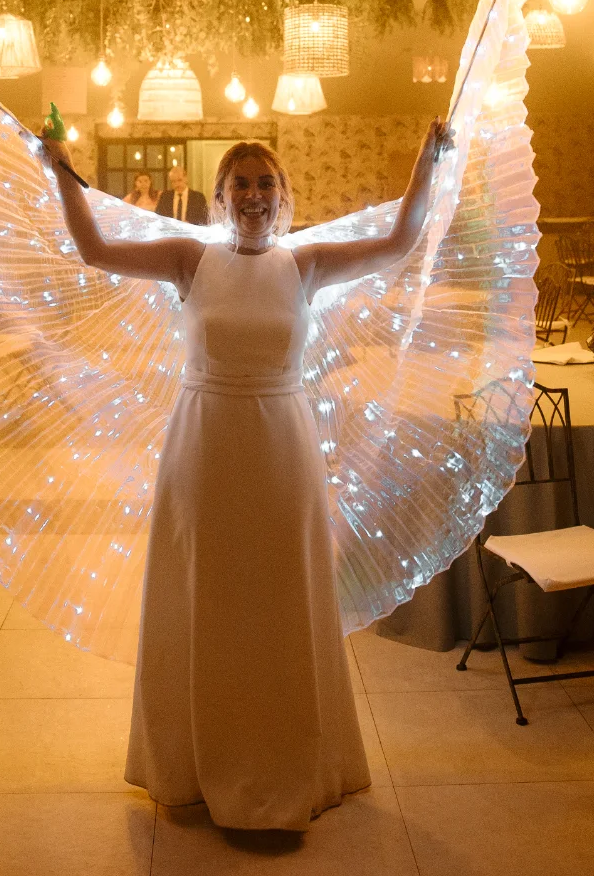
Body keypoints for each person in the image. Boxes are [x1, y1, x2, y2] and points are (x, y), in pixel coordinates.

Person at [36, 118, 450, 831]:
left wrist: (427, 158)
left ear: (281, 196)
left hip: (282, 445)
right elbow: (94, 248)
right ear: (219, 198)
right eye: (240, 186)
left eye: (265, 184)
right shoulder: (187, 260)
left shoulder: (305, 264)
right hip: (204, 441)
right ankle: (192, 767)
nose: (253, 196)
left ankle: (291, 763)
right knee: (207, 595)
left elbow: (398, 244)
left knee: (281, 597)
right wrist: (61, 168)